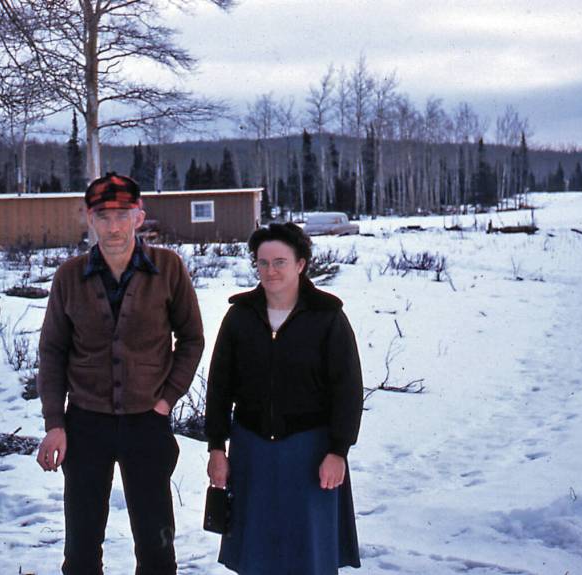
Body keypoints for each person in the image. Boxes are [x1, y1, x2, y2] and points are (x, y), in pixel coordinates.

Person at [36, 172, 205, 575]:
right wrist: (55, 422)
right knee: (81, 547)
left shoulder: (168, 268)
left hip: (147, 423)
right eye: (103, 217)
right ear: (89, 219)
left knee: (156, 543)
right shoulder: (69, 277)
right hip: (85, 425)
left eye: (122, 216)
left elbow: (192, 339)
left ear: (139, 217)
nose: (113, 227)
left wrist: (166, 399)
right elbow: (52, 352)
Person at [205, 222, 363, 574]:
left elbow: (347, 391)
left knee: (309, 554)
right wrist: (217, 447)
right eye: (262, 263)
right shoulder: (239, 317)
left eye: (280, 262)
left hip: (310, 451)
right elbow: (219, 387)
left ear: (300, 264)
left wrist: (338, 451)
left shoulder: (327, 317)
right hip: (252, 448)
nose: (270, 271)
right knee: (257, 552)